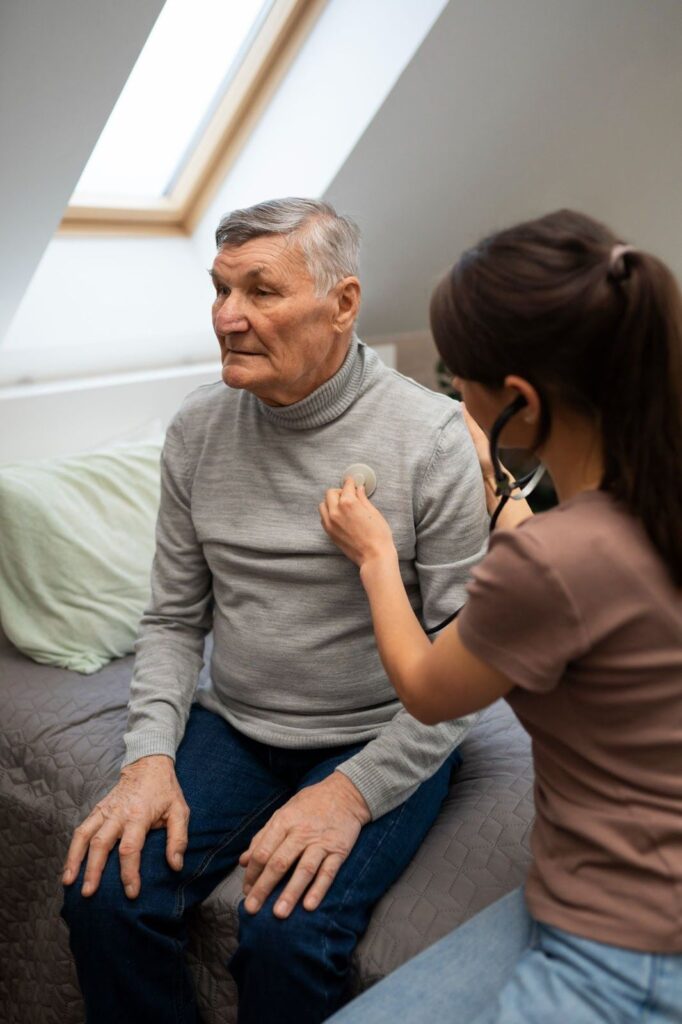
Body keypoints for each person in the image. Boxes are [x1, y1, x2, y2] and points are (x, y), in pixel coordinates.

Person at [60, 197, 490, 1024]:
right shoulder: (196, 431)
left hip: (383, 725)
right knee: (103, 893)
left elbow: (465, 661)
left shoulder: (430, 438)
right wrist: (148, 756)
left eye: (260, 291)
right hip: (240, 724)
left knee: (284, 935)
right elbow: (175, 619)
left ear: (343, 304)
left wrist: (352, 791)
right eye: (220, 291)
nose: (228, 318)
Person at [321, 209, 682, 1023]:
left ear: (516, 399)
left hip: (634, 942)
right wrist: (499, 486)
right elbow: (575, 574)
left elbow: (424, 686)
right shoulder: (635, 512)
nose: (452, 392)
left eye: (458, 376)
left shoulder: (553, 564)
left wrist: (377, 557)